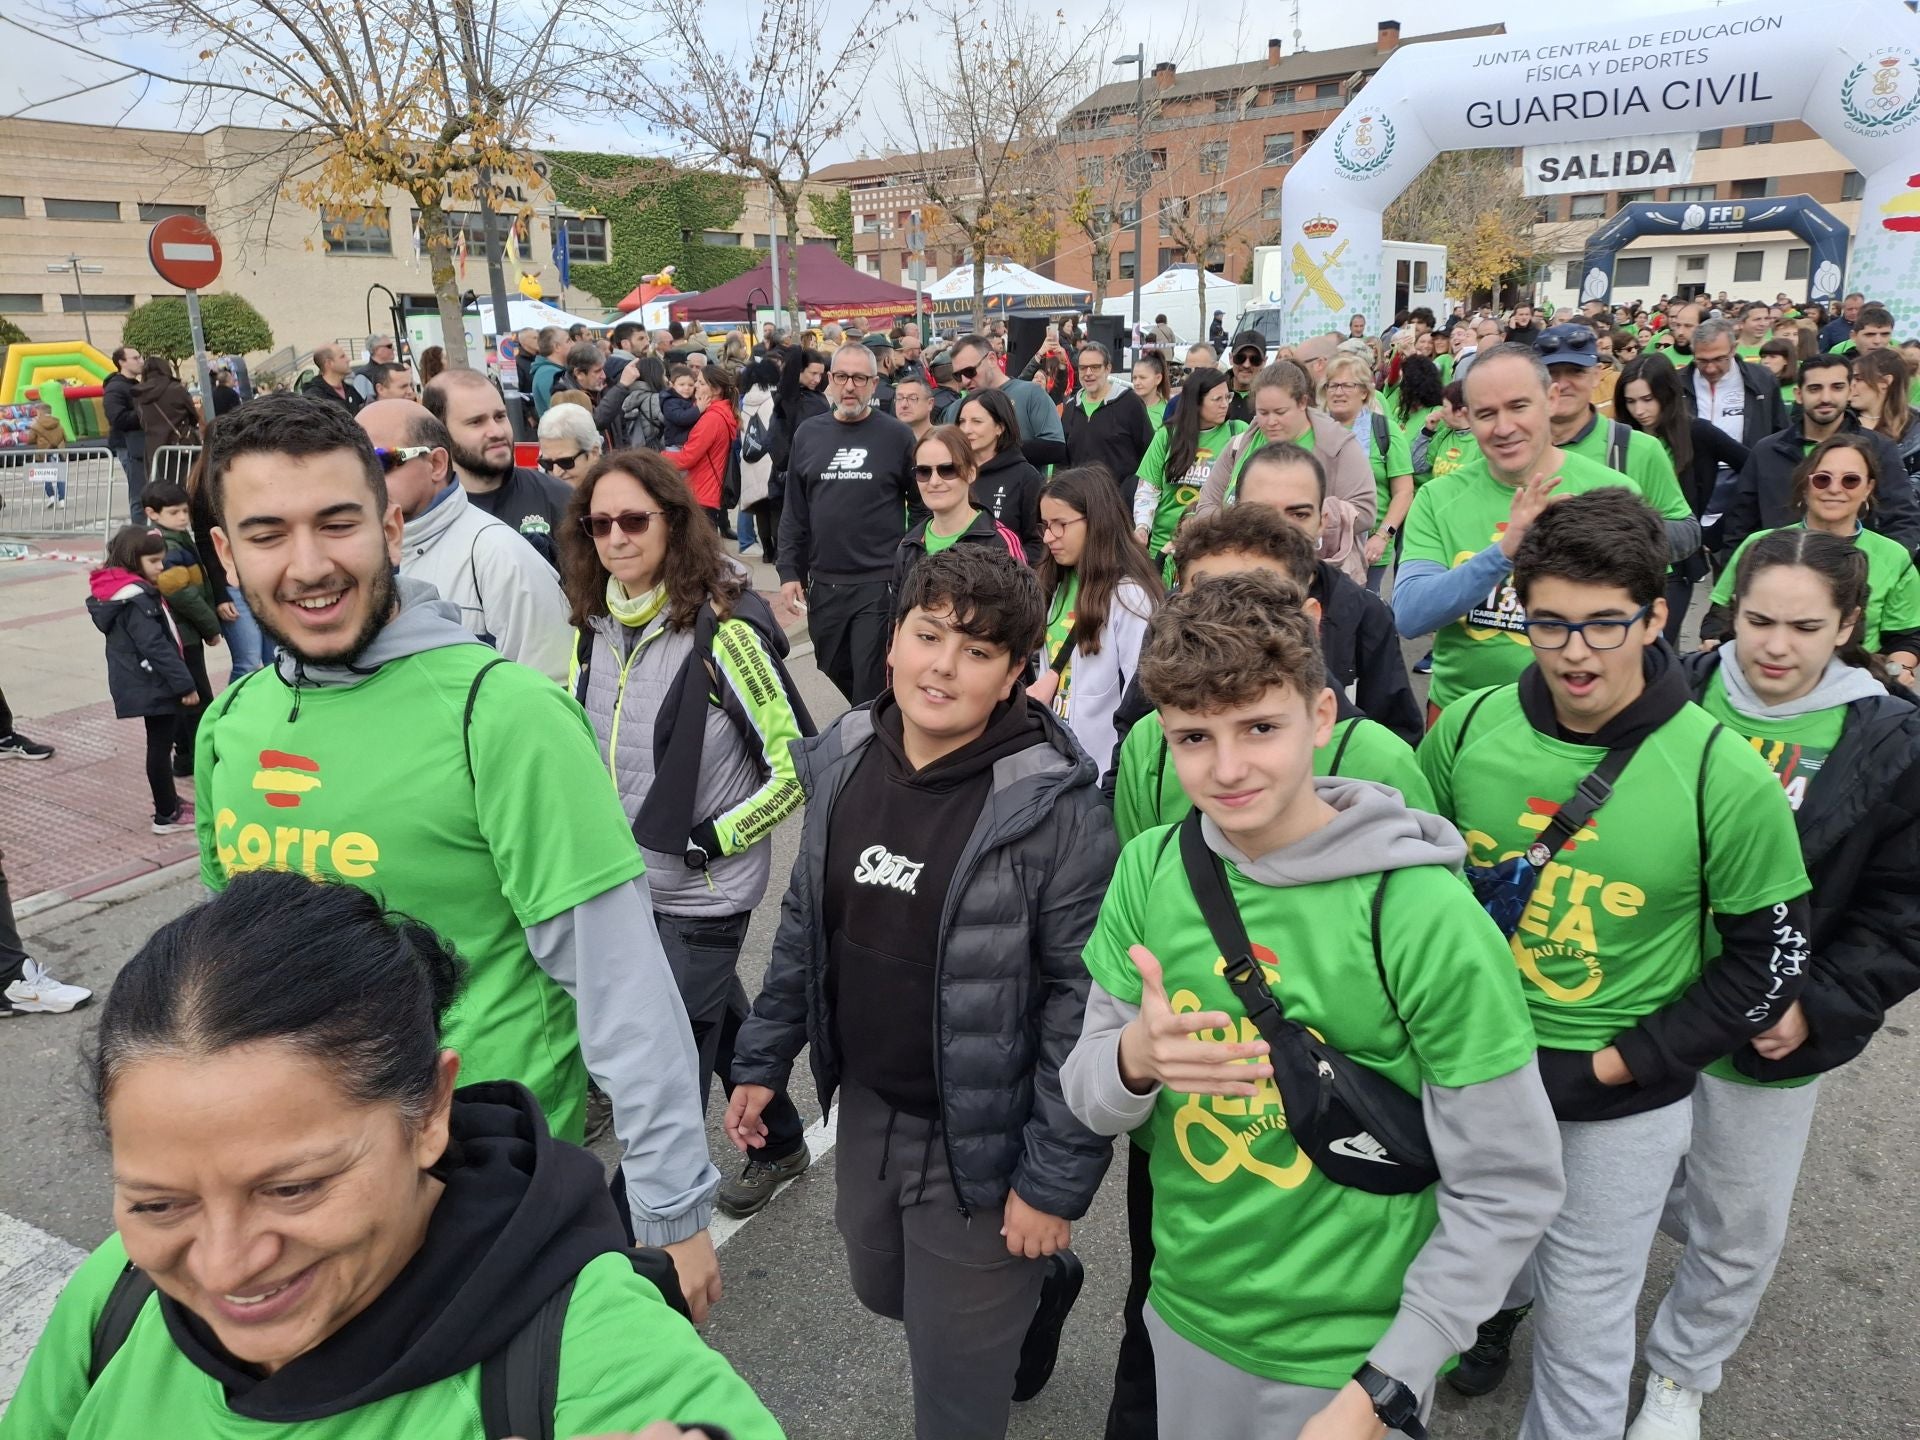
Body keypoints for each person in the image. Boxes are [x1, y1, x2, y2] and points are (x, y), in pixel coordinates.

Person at [194, 394, 724, 1319]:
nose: (309, 565)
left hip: (487, 1192)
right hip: (298, 1196)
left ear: (392, 529)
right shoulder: (230, 724)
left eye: (338, 523)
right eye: (268, 533)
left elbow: (623, 987)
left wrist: (673, 1210)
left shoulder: (504, 714)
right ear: (227, 555)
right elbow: (233, 975)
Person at [1, 871, 781, 1440]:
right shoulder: (116, 1296)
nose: (226, 1266)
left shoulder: (600, 1361)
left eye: (293, 1188)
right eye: (159, 1203)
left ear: (431, 1110)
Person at [1062, 566, 1562, 1440]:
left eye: (1260, 727)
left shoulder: (1422, 915)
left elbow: (1509, 1181)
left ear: (1322, 716)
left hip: (1351, 1361)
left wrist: (1388, 1385)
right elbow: (1087, 1097)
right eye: (1193, 737)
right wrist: (1133, 1059)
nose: (1227, 769)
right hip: (1186, 1318)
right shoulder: (1149, 869)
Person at [1417, 488, 1811, 1439]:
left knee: (1583, 1332)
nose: (1577, 653)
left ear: (1656, 616)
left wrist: (1611, 1066)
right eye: (1551, 624)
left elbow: (1768, 963)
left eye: (1605, 624)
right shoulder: (1466, 729)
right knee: (1426, 1294)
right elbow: (1409, 894)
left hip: (1617, 1101)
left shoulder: (1722, 772)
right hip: (1467, 1072)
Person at [728, 545, 1117, 1440]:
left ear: (1015, 675)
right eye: (929, 634)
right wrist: (762, 1057)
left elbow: (1079, 1009)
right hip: (867, 1107)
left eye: (977, 651)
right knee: (884, 1289)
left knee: (952, 1390)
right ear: (895, 639)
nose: (943, 665)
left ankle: (1009, 1290)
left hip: (982, 1137)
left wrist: (1050, 1185)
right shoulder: (845, 754)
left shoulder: (1058, 812)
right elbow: (804, 921)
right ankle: (1036, 1290)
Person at [1632, 530, 1920, 1440]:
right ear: (1730, 610)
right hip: (1636, 998)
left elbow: (1902, 906)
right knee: (1597, 1177)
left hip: (1767, 1026)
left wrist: (1820, 1001)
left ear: (1848, 625)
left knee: (1739, 1216)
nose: (1776, 647)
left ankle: (1681, 1372)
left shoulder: (1892, 738)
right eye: (1759, 620)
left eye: (1805, 627)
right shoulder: (1667, 689)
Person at [561, 451, 813, 1223]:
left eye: (634, 520)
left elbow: (796, 769)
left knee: (663, 1069)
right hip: (628, 883)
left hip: (705, 892)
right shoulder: (595, 626)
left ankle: (625, 1240)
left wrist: (712, 840)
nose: (616, 537)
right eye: (599, 523)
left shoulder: (726, 633)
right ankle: (781, 1145)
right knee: (716, 1017)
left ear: (674, 522)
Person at [1395, 345, 1694, 718]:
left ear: (1551, 400)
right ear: (1468, 417)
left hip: (1584, 721)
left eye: (1519, 407)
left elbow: (1645, 627)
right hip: (1464, 716)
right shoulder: (1437, 498)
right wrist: (1504, 553)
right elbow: (1411, 615)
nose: (1504, 428)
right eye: (1486, 414)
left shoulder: (1612, 490)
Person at [1108, 504, 1432, 842]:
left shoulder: (1379, 761)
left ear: (1309, 619)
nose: (1228, 623)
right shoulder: (1148, 744)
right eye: (1200, 604)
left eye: (1262, 606)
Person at [358, 399, 572, 683]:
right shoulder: (351, 555)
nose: (363, 479)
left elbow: (549, 686)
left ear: (436, 464)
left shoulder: (498, 554)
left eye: (378, 461)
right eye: (354, 465)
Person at [1702, 435, 1920, 680]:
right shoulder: (1760, 544)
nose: (1834, 489)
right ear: (1806, 485)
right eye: (1822, 479)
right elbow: (1720, 616)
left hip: (1853, 682)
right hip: (1762, 674)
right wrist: (1714, 645)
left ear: (1868, 488)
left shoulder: (1893, 557)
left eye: (1850, 480)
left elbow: (1906, 637)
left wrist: (1897, 670)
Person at [777, 342, 921, 706]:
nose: (850, 386)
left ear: (874, 383)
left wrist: (910, 561)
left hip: (878, 582)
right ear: (830, 379)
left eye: (859, 378)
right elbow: (795, 508)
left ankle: (872, 733)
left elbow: (921, 506)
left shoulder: (897, 436)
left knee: (870, 682)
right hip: (823, 581)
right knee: (831, 664)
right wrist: (789, 570)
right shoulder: (808, 433)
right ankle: (875, 721)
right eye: (841, 377)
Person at [1714, 354, 1920, 560]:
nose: (1826, 398)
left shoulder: (1878, 448)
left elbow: (1902, 519)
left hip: (1857, 572)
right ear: (1798, 394)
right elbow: (1739, 525)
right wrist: (1743, 573)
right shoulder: (1767, 451)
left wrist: (1883, 569)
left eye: (1837, 387)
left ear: (1850, 391)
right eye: (1815, 389)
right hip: (1779, 570)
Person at [1030, 467, 1159, 786]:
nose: (1048, 537)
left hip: (1103, 777)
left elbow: (1140, 698)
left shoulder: (1130, 597)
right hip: (1055, 767)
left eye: (1060, 524)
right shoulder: (1054, 583)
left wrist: (1117, 778)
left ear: (1097, 521)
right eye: (1045, 525)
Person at [1618, 353, 1748, 642]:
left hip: (1676, 561)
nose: (1639, 410)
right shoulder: (1619, 439)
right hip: (1627, 560)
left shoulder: (1697, 432)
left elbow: (1755, 469)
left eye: (1648, 399)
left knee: (1655, 643)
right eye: (1630, 401)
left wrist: (1716, 528)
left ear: (1667, 394)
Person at [1190, 361, 1378, 545]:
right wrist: (1236, 529)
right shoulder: (1238, 445)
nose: (1271, 422)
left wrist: (1305, 519)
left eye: (1280, 412)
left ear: (1302, 402)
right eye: (1263, 413)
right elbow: (1207, 504)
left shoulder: (1338, 447)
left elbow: (1364, 510)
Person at [87, 526, 198, 835]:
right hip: (154, 681)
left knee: (160, 744)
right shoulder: (135, 598)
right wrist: (184, 684)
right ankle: (166, 813)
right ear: (133, 560)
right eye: (154, 561)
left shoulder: (126, 591)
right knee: (160, 748)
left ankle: (170, 801)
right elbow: (155, 645)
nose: (161, 567)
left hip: (148, 679)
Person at [424, 368, 574, 566]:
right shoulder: (425, 518)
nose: (496, 431)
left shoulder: (558, 498)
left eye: (500, 416)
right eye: (476, 422)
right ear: (440, 432)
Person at [139, 481, 221, 772]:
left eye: (185, 511)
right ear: (153, 513)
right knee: (197, 698)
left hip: (182, 633)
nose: (183, 517)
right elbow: (179, 592)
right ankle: (200, 759)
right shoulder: (168, 545)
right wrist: (210, 626)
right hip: (183, 635)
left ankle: (185, 756)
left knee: (187, 699)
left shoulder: (175, 537)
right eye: (174, 512)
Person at [1319, 352, 1413, 593]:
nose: (1338, 392)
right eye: (1332, 385)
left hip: (1370, 547)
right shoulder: (1315, 429)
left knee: (1361, 609)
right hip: (1321, 545)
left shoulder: (1384, 430)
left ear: (1363, 392)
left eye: (1347, 385)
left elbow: (1403, 492)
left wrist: (1383, 536)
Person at [1133, 367, 1244, 569]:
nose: (1225, 404)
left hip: (1216, 546)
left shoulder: (1238, 433)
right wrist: (1142, 527)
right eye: (1217, 399)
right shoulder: (1167, 435)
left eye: (1227, 397)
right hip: (1165, 548)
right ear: (1196, 402)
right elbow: (1148, 489)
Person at [894, 424, 1024, 591]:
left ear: (971, 473)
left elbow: (1022, 605)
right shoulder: (909, 546)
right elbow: (899, 608)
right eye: (923, 471)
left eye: (947, 470)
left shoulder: (1000, 541)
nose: (934, 481)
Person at [941, 334, 1067, 467]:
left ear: (991, 359)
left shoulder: (1031, 394)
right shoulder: (955, 409)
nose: (965, 381)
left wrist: (994, 449)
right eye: (958, 375)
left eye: (969, 371)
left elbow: (1056, 448)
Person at [958, 388, 1045, 565]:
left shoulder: (1026, 477)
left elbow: (1038, 544)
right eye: (962, 421)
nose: (966, 429)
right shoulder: (950, 472)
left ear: (1000, 427)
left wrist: (1003, 570)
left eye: (976, 422)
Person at [1676, 317, 1788, 452]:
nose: (1711, 368)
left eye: (1719, 359)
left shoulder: (1762, 379)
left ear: (1733, 349)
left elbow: (1781, 431)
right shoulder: (1677, 382)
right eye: (1702, 361)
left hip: (1749, 462)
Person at [1063, 343, 1153, 508]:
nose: (1088, 373)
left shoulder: (1130, 403)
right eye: (1083, 368)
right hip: (1081, 504)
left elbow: (1149, 454)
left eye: (1095, 367)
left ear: (1108, 368)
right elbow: (1064, 460)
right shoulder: (1071, 408)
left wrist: (1129, 491)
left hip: (1119, 505)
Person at [664, 364, 739, 529]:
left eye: (701, 383)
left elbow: (686, 458)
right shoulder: (722, 413)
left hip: (702, 492)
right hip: (709, 490)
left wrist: (660, 456)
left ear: (716, 390)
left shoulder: (711, 419)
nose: (696, 385)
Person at [1852, 346, 1920, 478]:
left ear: (1885, 382)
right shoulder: (1841, 419)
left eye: (1858, 379)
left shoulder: (1915, 427)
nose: (1851, 385)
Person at [104, 346, 148, 520]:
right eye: (135, 358)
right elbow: (117, 418)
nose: (141, 361)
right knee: (139, 495)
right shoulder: (115, 387)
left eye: (140, 357)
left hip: (141, 445)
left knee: (148, 493)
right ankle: (139, 533)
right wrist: (145, 414)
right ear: (122, 362)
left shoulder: (136, 385)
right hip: (128, 446)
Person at [136, 354, 201, 471]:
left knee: (159, 479)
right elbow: (194, 415)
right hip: (181, 444)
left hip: (154, 447)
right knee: (186, 477)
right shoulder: (176, 389)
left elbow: (142, 421)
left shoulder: (138, 394)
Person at [537, 401, 604, 484]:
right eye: (547, 464)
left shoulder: (616, 489)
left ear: (594, 453)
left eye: (565, 462)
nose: (556, 473)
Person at [302, 344, 364, 414]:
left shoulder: (350, 390)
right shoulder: (315, 398)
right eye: (342, 356)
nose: (348, 359)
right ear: (329, 363)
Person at [1224, 331, 1266, 424]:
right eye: (1240, 358)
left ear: (1264, 362)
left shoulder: (1271, 397)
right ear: (1231, 358)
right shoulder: (1216, 393)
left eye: (1255, 360)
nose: (1246, 365)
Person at [530, 327, 570, 416]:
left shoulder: (552, 370)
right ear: (557, 347)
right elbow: (562, 411)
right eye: (568, 341)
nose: (573, 344)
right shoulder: (548, 373)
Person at [1131, 352, 1172, 433]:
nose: (1136, 383)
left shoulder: (1167, 412)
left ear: (1158, 379)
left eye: (1142, 377)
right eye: (1134, 378)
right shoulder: (1125, 405)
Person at [349, 333, 397, 400]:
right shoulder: (363, 376)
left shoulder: (395, 370)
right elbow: (367, 403)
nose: (393, 349)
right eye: (389, 346)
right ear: (376, 350)